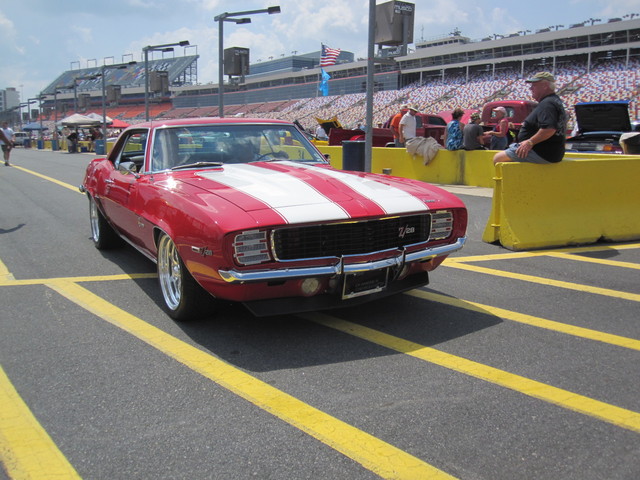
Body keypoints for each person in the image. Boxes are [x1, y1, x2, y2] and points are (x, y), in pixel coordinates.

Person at [494, 72, 567, 165]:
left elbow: (549, 129)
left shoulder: (547, 103)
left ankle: (515, 180)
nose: (531, 88)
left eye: (534, 85)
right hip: (550, 152)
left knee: (498, 158)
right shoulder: (554, 101)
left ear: (545, 85)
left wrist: (530, 142)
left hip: (542, 152)